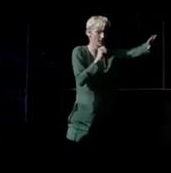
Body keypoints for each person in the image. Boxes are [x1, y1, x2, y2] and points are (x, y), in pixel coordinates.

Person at [67, 15, 156, 143]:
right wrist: (97, 61)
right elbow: (80, 79)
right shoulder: (79, 52)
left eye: (105, 32)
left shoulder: (110, 54)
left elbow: (129, 53)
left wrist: (146, 46)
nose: (103, 36)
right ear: (89, 33)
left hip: (102, 122)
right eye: (98, 32)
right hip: (81, 123)